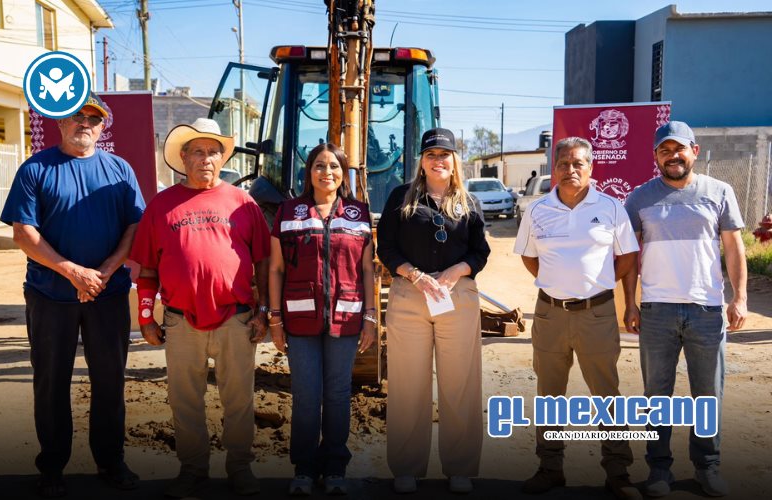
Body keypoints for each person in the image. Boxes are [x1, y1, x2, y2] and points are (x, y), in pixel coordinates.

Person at [0, 93, 145, 497]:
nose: (85, 123)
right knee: (50, 382)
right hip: (49, 296)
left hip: (108, 294)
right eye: (76, 117)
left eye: (93, 118)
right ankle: (51, 468)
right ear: (60, 124)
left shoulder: (120, 170)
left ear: (103, 127)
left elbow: (134, 228)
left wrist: (103, 272)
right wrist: (72, 271)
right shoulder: (36, 169)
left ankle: (111, 463)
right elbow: (24, 235)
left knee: (110, 381)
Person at [129, 118, 271, 498]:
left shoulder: (243, 202)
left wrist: (264, 312)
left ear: (223, 158)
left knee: (239, 400)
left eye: (213, 151)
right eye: (197, 151)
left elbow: (263, 263)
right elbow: (146, 269)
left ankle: (240, 467)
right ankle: (193, 470)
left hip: (236, 318)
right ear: (183, 157)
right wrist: (146, 317)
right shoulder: (161, 206)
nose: (206, 158)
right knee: (184, 400)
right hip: (180, 323)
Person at [624, 121, 747, 498]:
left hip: (706, 310)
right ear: (655, 156)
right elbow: (629, 258)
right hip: (657, 310)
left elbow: (733, 248)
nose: (672, 156)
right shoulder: (640, 198)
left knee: (707, 394)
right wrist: (629, 302)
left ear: (694, 151)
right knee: (657, 395)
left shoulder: (719, 191)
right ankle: (659, 470)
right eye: (664, 150)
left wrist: (739, 297)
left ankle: (707, 467)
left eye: (680, 149)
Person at [513, 137, 641, 500]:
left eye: (579, 163)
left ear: (591, 168)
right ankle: (550, 468)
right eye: (564, 163)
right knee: (549, 394)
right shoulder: (538, 211)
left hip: (597, 315)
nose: (571, 169)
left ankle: (618, 472)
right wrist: (558, 284)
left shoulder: (612, 208)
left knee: (607, 394)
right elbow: (529, 257)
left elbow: (627, 257)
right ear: (554, 169)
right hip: (550, 315)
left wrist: (597, 285)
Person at [377, 128, 490, 495]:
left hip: (457, 299)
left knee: (460, 385)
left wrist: (456, 271)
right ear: (421, 162)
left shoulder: (468, 202)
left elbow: (480, 252)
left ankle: (460, 467)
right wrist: (415, 274)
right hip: (410, 298)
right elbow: (387, 247)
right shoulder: (401, 198)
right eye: (431, 155)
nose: (438, 160)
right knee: (409, 384)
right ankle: (408, 467)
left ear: (455, 160)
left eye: (445, 154)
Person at [268, 143, 376, 496]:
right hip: (299, 323)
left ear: (344, 173)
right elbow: (276, 268)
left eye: (333, 166)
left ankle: (334, 469)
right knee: (306, 394)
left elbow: (367, 270)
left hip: (345, 320)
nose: (326, 172)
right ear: (308, 171)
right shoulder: (288, 211)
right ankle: (303, 468)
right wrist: (275, 319)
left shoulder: (359, 214)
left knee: (338, 394)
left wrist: (372, 318)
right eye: (318, 165)